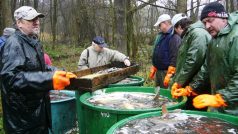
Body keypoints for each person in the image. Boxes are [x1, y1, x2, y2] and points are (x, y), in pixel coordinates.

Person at [0, 6, 77, 133]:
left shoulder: (33, 41)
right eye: (31, 19)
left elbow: (39, 67)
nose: (36, 22)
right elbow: (11, 78)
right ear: (19, 23)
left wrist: (57, 71)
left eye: (37, 18)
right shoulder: (14, 44)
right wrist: (49, 79)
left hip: (38, 112)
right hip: (22, 120)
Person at [192, 2, 238, 116]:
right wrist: (190, 88)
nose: (207, 26)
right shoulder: (214, 39)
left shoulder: (235, 37)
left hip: (234, 110)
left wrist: (221, 98)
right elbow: (207, 68)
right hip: (220, 109)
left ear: (223, 17)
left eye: (210, 20)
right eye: (204, 22)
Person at [170, 13, 211, 110]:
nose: (177, 34)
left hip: (197, 87)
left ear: (179, 27)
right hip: (189, 84)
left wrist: (178, 82)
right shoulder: (190, 35)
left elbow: (192, 61)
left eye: (175, 31)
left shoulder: (197, 34)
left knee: (195, 118)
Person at [149, 14, 181, 88]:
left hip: (167, 72)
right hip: (159, 70)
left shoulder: (174, 36)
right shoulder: (161, 35)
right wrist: (154, 65)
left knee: (165, 95)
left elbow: (175, 56)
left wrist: (170, 74)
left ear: (166, 23)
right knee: (156, 92)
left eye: (160, 25)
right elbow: (158, 51)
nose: (159, 27)